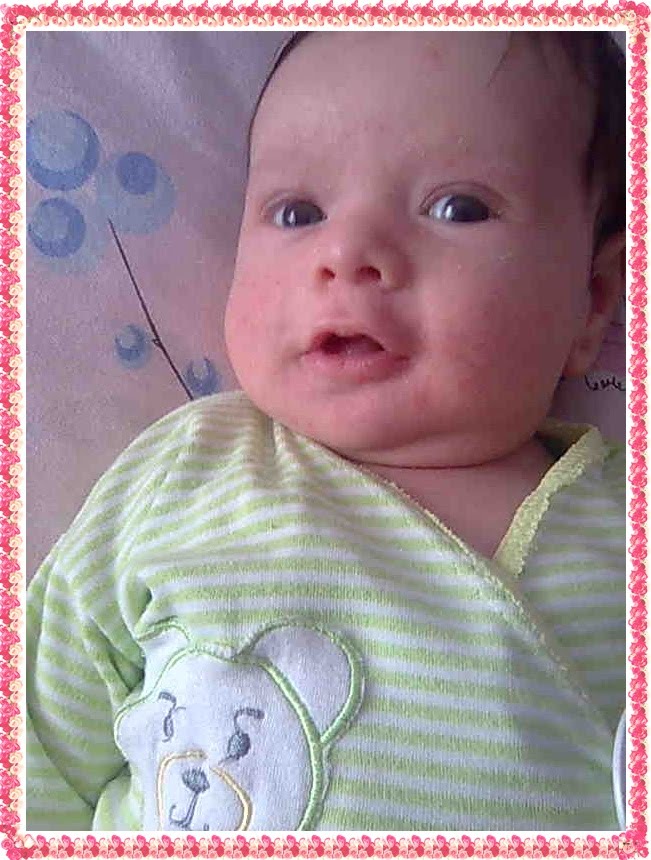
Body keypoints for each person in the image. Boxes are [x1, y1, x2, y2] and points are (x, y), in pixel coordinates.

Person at [27, 31, 626, 832]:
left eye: (456, 207)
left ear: (591, 301)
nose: (346, 252)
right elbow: (36, 746)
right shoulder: (187, 471)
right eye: (297, 213)